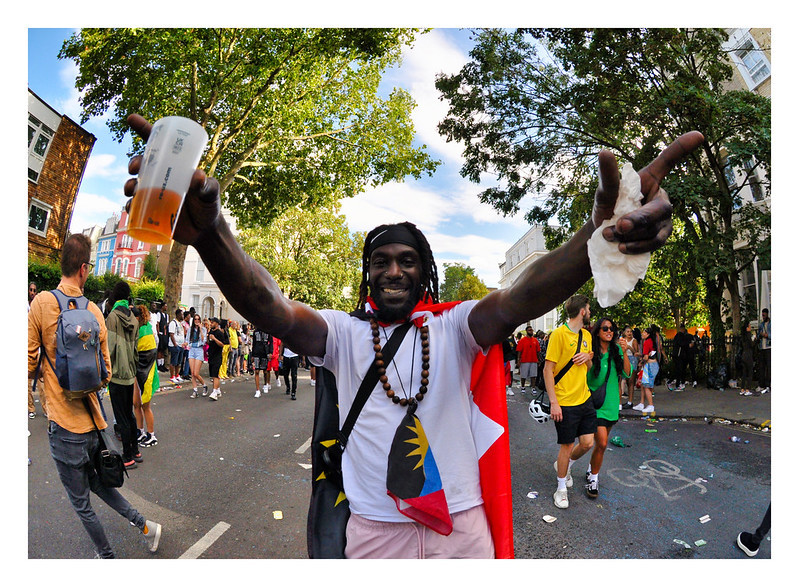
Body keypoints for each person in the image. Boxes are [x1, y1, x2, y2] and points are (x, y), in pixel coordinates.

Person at [124, 112, 701, 559]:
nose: (392, 270)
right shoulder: (344, 335)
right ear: (367, 273)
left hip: (462, 534)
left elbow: (526, 293)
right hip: (375, 539)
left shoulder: (456, 329)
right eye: (379, 261)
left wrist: (595, 239)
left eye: (406, 260)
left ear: (425, 273)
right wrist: (211, 237)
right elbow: (266, 304)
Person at [27, 234, 161, 558]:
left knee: (81, 503)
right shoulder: (94, 312)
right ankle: (146, 526)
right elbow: (106, 373)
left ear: (63, 264)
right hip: (93, 425)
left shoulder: (41, 304)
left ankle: (107, 558)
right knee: (99, 485)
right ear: (84, 269)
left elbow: (29, 362)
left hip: (63, 425)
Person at [543, 295, 594, 509]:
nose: (590, 312)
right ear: (582, 311)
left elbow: (589, 367)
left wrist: (587, 358)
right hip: (564, 401)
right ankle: (561, 489)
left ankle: (566, 465)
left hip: (585, 398)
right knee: (567, 445)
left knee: (587, 443)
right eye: (589, 309)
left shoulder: (586, 335)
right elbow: (548, 369)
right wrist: (554, 402)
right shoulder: (558, 335)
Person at [585, 317, 630, 499]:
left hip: (611, 403)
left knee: (600, 446)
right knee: (602, 442)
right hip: (596, 404)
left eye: (611, 328)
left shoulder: (617, 350)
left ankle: (590, 469)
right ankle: (594, 479)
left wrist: (625, 353)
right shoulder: (592, 352)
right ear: (597, 332)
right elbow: (587, 378)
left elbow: (627, 373)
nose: (609, 331)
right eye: (605, 328)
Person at [105, 281, 143, 469]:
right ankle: (135, 450)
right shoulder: (135, 319)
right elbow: (135, 350)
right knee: (129, 414)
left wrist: (106, 371)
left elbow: (109, 348)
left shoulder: (112, 317)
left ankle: (127, 456)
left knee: (121, 416)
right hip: (129, 373)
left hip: (117, 374)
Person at [133, 304, 159, 447]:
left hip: (146, 372)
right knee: (136, 403)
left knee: (145, 405)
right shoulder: (140, 329)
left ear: (137, 317)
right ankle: (140, 431)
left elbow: (148, 354)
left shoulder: (145, 330)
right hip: (137, 372)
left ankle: (151, 435)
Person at [634, 326, 659, 414]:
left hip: (649, 365)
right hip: (652, 365)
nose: (642, 334)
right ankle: (642, 403)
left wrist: (641, 362)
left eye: (644, 332)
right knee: (645, 385)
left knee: (647, 386)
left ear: (648, 334)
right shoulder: (651, 341)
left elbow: (646, 356)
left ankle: (650, 405)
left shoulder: (646, 342)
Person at [188, 314, 208, 398]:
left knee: (196, 373)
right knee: (192, 373)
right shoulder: (190, 329)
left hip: (199, 350)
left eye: (198, 319)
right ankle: (195, 391)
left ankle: (204, 385)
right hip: (192, 350)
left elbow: (203, 341)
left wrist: (200, 329)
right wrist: (185, 344)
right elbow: (187, 340)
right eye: (195, 319)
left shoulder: (203, 329)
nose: (196, 321)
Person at [516, 325, 540, 393]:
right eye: (529, 330)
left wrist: (538, 360)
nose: (531, 331)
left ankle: (533, 388)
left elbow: (538, 351)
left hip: (533, 360)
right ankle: (523, 387)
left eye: (532, 330)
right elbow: (519, 351)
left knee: (533, 375)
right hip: (524, 360)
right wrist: (518, 360)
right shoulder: (522, 340)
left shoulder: (535, 340)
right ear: (526, 331)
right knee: (523, 375)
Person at [206, 317, 226, 400]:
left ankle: (214, 392)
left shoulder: (219, 333)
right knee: (213, 375)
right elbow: (209, 342)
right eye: (211, 322)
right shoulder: (211, 332)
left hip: (217, 356)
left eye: (213, 322)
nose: (211, 324)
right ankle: (217, 389)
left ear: (217, 324)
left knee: (214, 374)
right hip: (211, 355)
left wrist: (214, 339)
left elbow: (222, 344)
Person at [620, 326, 639, 410]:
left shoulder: (634, 341)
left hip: (632, 359)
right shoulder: (621, 339)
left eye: (630, 331)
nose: (629, 333)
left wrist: (629, 347)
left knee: (630, 381)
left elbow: (636, 352)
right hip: (623, 358)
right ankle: (620, 402)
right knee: (621, 380)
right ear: (624, 333)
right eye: (627, 331)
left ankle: (630, 402)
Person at [251, 327, 271, 398]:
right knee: (256, 371)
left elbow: (270, 342)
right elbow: (254, 343)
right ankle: (257, 390)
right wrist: (252, 355)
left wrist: (270, 352)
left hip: (265, 353)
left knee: (265, 371)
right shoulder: (255, 331)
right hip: (257, 352)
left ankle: (265, 384)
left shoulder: (268, 331)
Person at [672, 324, 693, 390]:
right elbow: (682, 344)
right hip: (679, 355)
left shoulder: (677, 336)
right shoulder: (680, 336)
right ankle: (676, 384)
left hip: (677, 354)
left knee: (678, 369)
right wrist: (688, 344)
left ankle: (676, 383)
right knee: (679, 369)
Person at [738, 322, 756, 396]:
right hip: (748, 355)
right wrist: (754, 339)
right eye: (749, 326)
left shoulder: (742, 337)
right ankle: (748, 389)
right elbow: (752, 345)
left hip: (743, 355)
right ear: (747, 328)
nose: (750, 328)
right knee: (750, 372)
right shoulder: (748, 335)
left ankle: (742, 389)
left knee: (744, 373)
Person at [168, 308, 186, 384]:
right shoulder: (173, 323)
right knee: (173, 362)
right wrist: (175, 345)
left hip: (181, 345)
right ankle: (172, 376)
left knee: (179, 362)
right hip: (175, 345)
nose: (183, 316)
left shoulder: (180, 323)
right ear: (178, 315)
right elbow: (171, 334)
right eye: (182, 314)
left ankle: (177, 375)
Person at [756, 308, 770, 393]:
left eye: (764, 315)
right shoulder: (761, 324)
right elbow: (758, 335)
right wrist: (760, 335)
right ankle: (761, 384)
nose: (763, 316)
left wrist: (767, 335)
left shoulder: (771, 324)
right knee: (761, 367)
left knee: (768, 367)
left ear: (767, 314)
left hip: (768, 347)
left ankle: (768, 385)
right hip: (762, 347)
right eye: (762, 315)